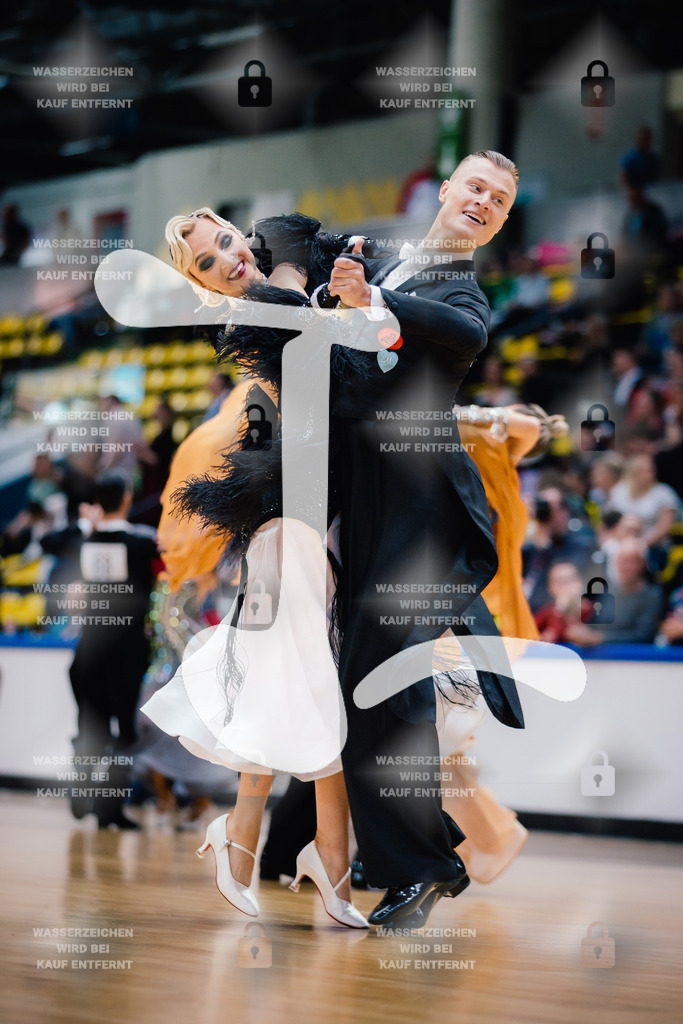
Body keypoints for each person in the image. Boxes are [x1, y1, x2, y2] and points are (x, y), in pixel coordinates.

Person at [151, 151, 525, 930]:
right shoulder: (295, 297)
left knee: (378, 673)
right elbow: (290, 253)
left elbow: (463, 334)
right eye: (475, 188)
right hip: (355, 505)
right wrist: (298, 299)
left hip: (418, 501)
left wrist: (365, 298)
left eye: (498, 197)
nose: (483, 202)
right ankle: (358, 853)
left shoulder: (444, 280)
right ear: (446, 191)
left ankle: (412, 867)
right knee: (349, 678)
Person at [41, 471, 159, 827]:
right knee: (124, 732)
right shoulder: (141, 545)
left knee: (90, 724)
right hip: (127, 651)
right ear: (126, 498)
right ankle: (110, 809)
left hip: (89, 650)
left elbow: (48, 542)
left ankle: (81, 791)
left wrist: (83, 526)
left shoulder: (85, 542)